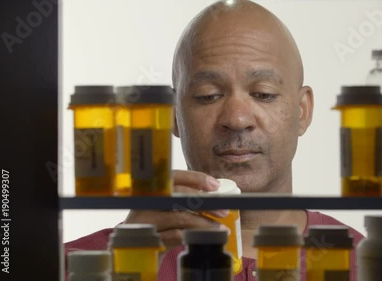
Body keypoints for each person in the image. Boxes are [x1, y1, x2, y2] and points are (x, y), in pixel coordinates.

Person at [65, 1, 364, 280]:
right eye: (209, 95)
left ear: (303, 112)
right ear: (172, 116)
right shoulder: (75, 266)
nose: (236, 118)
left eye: (263, 94)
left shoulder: (365, 263)